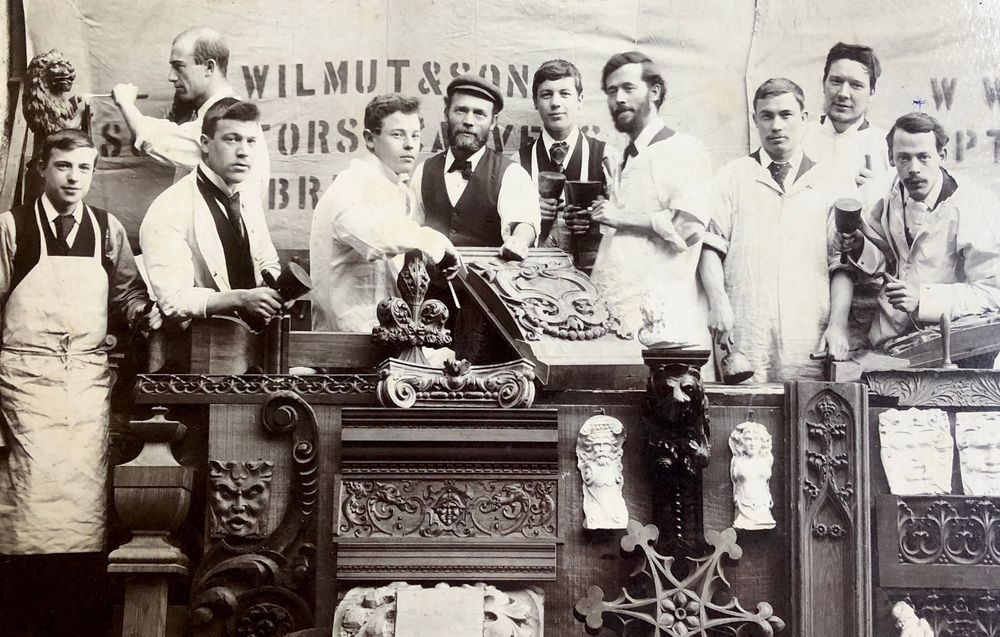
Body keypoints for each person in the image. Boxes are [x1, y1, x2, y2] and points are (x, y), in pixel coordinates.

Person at [0, 129, 160, 633]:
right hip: (24, 385)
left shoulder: (107, 230)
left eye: (84, 168)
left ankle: (75, 621)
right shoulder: (12, 228)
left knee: (83, 513)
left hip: (86, 389)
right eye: (64, 166)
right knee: (27, 508)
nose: (74, 178)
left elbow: (126, 295)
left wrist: (142, 314)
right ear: (41, 169)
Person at [700, 78, 840, 382]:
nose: (776, 125)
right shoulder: (732, 176)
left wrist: (837, 325)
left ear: (804, 118)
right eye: (767, 116)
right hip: (745, 326)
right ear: (755, 120)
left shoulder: (829, 181)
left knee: (805, 404)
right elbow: (710, 246)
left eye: (786, 115)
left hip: (807, 328)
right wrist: (719, 302)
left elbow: (841, 263)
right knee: (743, 406)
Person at [833, 112, 1000, 349]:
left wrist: (924, 299)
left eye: (923, 157)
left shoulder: (977, 207)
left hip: (953, 347)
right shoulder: (877, 194)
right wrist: (859, 245)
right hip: (888, 341)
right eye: (904, 158)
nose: (913, 169)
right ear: (891, 158)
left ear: (942, 156)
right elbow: (885, 263)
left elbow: (992, 293)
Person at [586, 51, 713, 347]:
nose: (619, 98)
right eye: (612, 91)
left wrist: (619, 218)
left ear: (654, 92)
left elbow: (689, 228)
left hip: (658, 327)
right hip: (617, 318)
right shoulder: (627, 157)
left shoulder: (682, 149)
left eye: (628, 88)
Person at [310, 94, 459, 332]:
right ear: (370, 139)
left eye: (415, 135)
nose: (410, 144)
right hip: (345, 338)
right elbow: (378, 239)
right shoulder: (349, 186)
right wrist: (435, 241)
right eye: (397, 135)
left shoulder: (398, 191)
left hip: (387, 331)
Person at [140, 98, 283, 326]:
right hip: (198, 342)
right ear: (205, 143)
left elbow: (267, 261)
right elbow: (173, 300)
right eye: (232, 139)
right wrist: (240, 299)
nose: (244, 152)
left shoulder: (248, 194)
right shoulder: (169, 208)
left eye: (251, 141)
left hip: (253, 336)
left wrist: (275, 289)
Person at [112, 27, 269, 193]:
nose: (171, 77)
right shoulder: (223, 114)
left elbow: (156, 139)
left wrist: (126, 103)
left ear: (209, 67)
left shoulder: (228, 118)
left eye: (179, 67)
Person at [410, 74, 540, 260]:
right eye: (461, 110)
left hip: (488, 278)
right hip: (433, 278)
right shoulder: (423, 171)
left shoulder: (511, 174)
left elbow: (524, 223)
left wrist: (518, 240)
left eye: (479, 113)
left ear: (493, 121)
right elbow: (411, 232)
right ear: (446, 112)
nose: (469, 121)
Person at [518, 59, 617, 273]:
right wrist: (528, 213)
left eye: (564, 93)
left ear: (579, 99)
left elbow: (626, 223)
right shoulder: (518, 162)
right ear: (535, 101)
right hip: (531, 276)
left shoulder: (606, 157)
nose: (555, 103)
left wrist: (594, 222)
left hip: (592, 276)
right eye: (546, 94)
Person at [801, 42, 890, 192]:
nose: (843, 94)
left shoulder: (886, 147)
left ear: (871, 92)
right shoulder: (797, 138)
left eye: (856, 85)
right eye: (836, 81)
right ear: (824, 84)